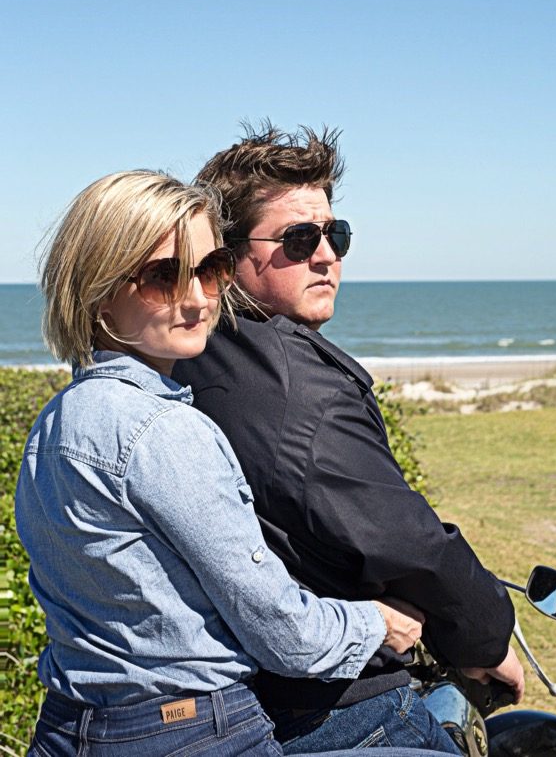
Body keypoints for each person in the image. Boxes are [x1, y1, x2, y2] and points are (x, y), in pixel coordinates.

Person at [15, 170, 427, 757]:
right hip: (193, 729)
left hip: (68, 729)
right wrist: (380, 625)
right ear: (98, 288)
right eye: (163, 276)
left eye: (211, 270)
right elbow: (286, 636)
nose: (198, 298)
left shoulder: (54, 425)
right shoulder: (166, 430)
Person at [174, 125, 526, 755]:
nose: (327, 255)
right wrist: (484, 640)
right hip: (340, 707)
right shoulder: (300, 396)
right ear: (227, 255)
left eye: (335, 234)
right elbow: (405, 543)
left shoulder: (187, 350)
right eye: (299, 238)